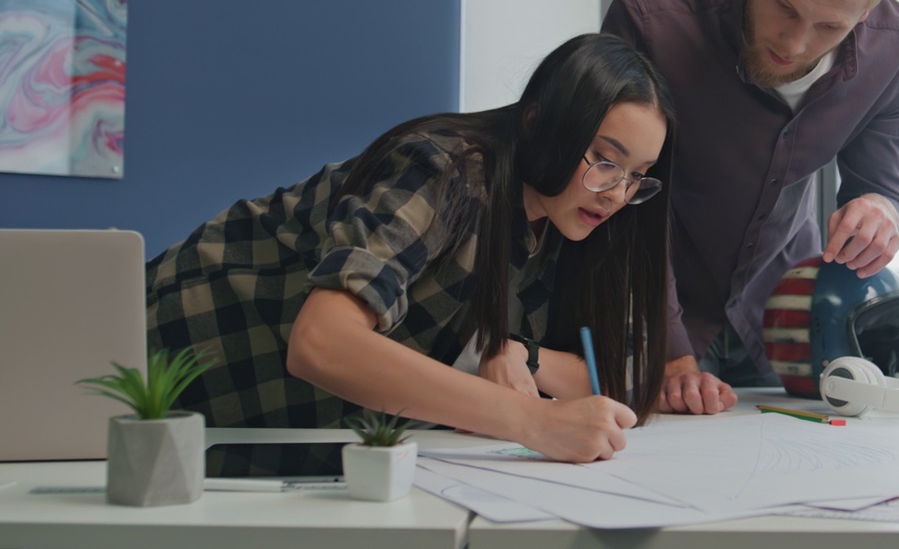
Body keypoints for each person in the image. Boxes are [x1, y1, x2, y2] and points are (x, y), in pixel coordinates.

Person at [146, 33, 676, 474]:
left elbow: (625, 371)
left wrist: (520, 353)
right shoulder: (446, 169)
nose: (617, 194)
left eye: (638, 177)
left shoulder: (565, 220)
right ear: (539, 123)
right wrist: (531, 421)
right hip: (147, 363)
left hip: (260, 442)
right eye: (606, 160)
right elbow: (322, 343)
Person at [602, 0, 899, 393]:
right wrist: (669, 351)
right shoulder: (652, 20)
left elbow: (879, 185)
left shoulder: (896, 53)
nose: (794, 44)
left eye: (829, 26)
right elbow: (617, 198)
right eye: (785, 6)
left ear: (868, 14)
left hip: (784, 321)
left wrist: (879, 212)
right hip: (649, 314)